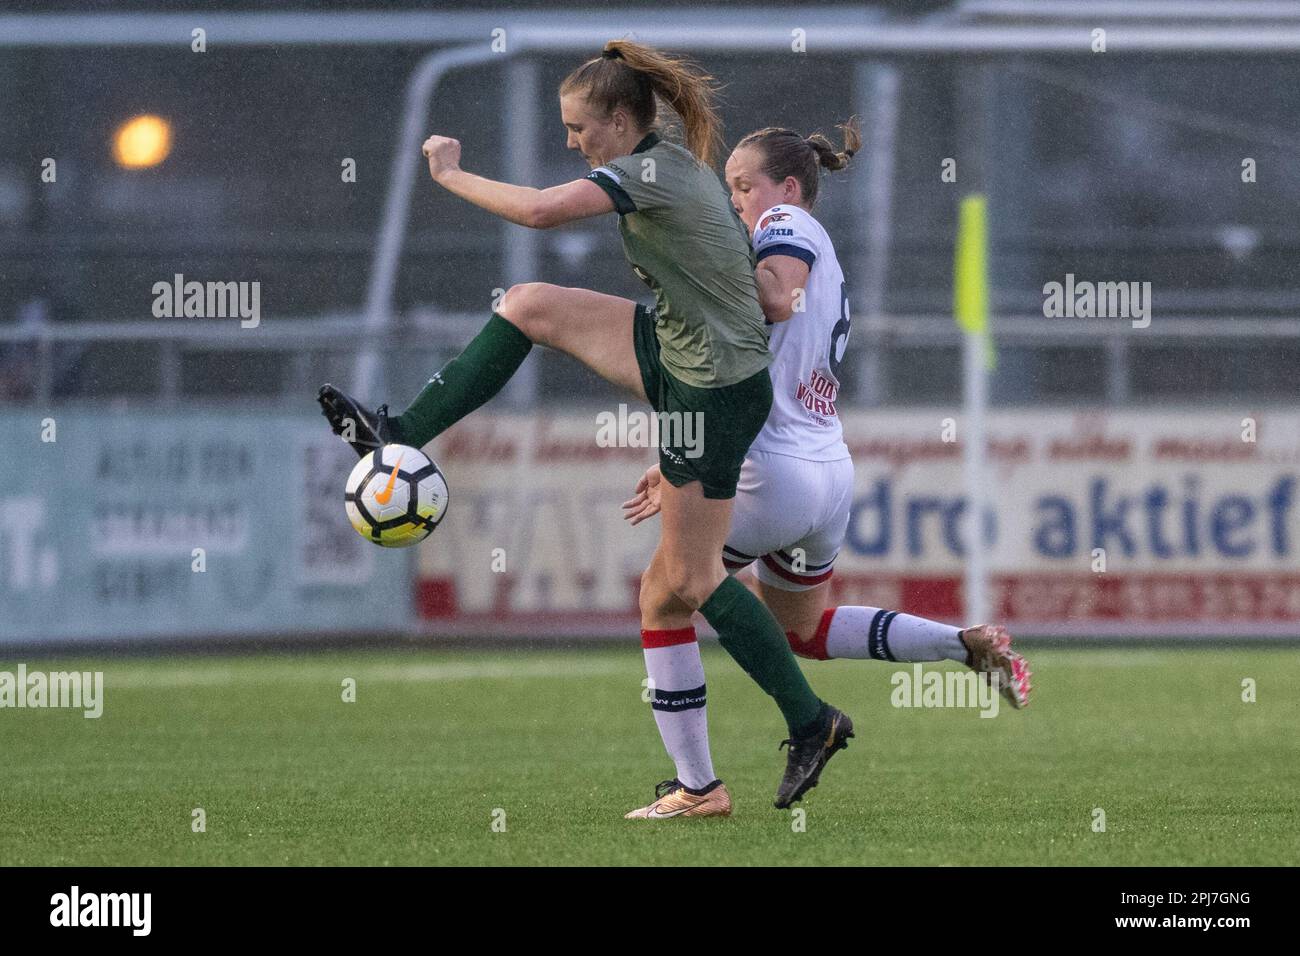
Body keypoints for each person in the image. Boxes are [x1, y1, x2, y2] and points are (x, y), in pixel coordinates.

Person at [317, 41, 853, 813]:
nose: (571, 141)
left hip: (714, 392)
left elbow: (539, 210)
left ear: (621, 120)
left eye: (579, 127)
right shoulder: (662, 160)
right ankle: (395, 431)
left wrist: (448, 173)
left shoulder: (652, 170)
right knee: (529, 304)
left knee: (690, 582)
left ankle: (810, 722)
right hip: (677, 353)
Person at [620, 122, 1032, 819]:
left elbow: (772, 306)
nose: (738, 201)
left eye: (744, 186)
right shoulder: (811, 250)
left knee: (666, 594)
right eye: (731, 190)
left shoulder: (786, 224)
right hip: (825, 472)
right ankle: (962, 646)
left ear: (787, 187)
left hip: (769, 467)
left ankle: (697, 787)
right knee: (801, 632)